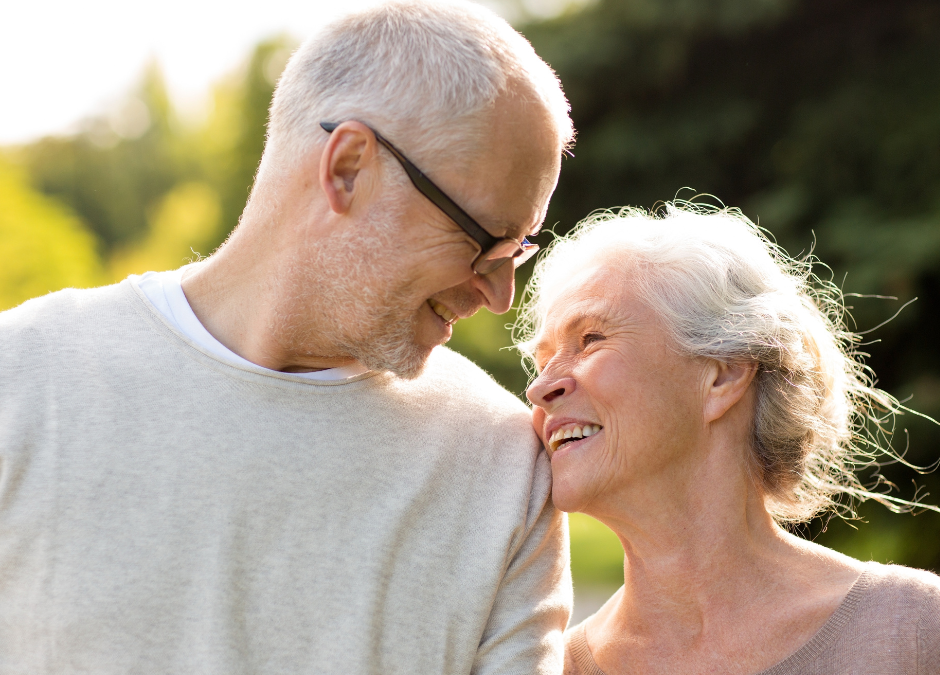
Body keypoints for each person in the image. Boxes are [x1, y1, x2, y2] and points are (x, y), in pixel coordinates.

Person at [0, 2, 576, 672]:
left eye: (519, 251)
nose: (499, 293)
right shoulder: (22, 379)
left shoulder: (503, 470)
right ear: (348, 168)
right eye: (484, 242)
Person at [519, 204, 940, 675]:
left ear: (724, 374)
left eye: (590, 339)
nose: (541, 388)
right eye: (542, 362)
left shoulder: (916, 631)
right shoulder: (547, 668)